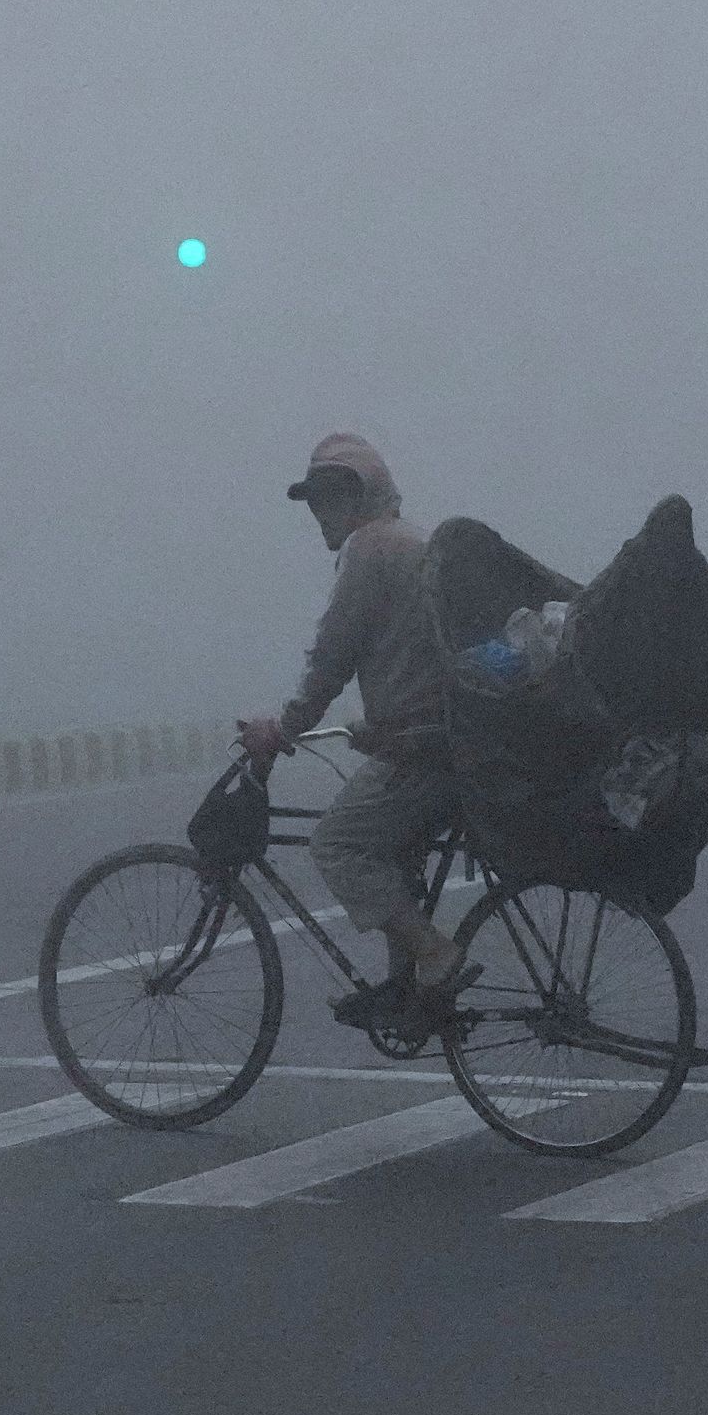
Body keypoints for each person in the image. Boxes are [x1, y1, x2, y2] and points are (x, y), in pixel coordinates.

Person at [236, 432, 472, 1032]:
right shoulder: (411, 541)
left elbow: (333, 658)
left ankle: (434, 955)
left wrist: (283, 727)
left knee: (338, 845)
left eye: (332, 497)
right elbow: (408, 659)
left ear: (364, 495)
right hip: (439, 737)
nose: (322, 513)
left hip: (425, 750)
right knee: (387, 851)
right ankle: (407, 987)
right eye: (314, 501)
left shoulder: (372, 550)